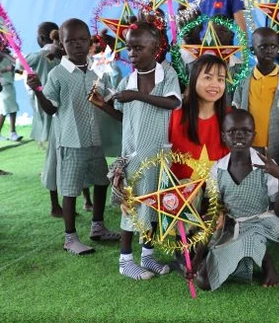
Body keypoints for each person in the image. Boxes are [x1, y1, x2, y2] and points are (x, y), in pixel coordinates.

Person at [89, 22, 182, 279]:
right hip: (134, 155)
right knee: (132, 208)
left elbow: (173, 102)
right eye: (129, 48)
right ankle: (125, 259)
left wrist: (137, 96)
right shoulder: (127, 80)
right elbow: (124, 117)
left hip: (158, 154)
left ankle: (148, 256)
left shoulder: (167, 74)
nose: (131, 53)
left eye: (138, 48)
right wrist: (102, 105)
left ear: (155, 48)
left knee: (152, 207)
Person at [26, 18, 119, 255]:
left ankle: (97, 227)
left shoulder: (98, 69)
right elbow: (51, 108)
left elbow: (109, 98)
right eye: (70, 41)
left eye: (82, 39)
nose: (77, 44)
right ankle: (70, 238)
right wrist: (38, 91)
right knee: (69, 190)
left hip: (94, 139)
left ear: (89, 41)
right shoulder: (58, 74)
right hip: (70, 141)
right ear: (62, 45)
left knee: (101, 182)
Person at [188, 109, 279, 290]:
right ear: (223, 136)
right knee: (204, 282)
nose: (239, 135)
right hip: (231, 226)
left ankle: (266, 261)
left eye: (246, 131)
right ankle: (246, 255)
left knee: (249, 240)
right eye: (232, 131)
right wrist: (197, 258)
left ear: (254, 135)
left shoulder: (266, 167)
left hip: (260, 226)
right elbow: (214, 213)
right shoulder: (218, 170)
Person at [233, 28, 279, 165]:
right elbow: (236, 110)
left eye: (273, 46)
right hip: (248, 146)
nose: (269, 50)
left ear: (278, 48)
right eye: (263, 47)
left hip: (276, 148)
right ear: (253, 50)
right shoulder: (244, 79)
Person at [169, 54, 230, 181]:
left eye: (220, 79)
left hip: (218, 193)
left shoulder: (231, 118)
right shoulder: (175, 113)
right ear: (194, 79)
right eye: (208, 77)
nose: (215, 85)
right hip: (178, 193)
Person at [20, 21, 60, 146]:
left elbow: (21, 64)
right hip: (59, 92)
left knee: (45, 118)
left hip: (43, 93)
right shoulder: (61, 53)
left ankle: (48, 140)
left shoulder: (38, 55)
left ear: (41, 38)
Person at [0, 48, 20, 141]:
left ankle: (13, 132)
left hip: (10, 84)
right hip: (2, 86)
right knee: (7, 110)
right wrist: (5, 69)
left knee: (9, 110)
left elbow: (17, 64)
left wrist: (6, 55)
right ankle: (13, 132)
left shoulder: (6, 55)